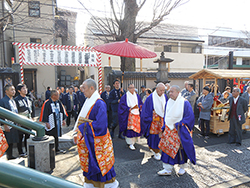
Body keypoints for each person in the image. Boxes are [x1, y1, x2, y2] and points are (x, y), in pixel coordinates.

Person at [73, 79, 118, 188]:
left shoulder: (99, 103)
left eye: (84, 88)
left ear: (92, 88)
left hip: (98, 142)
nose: (82, 90)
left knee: (99, 163)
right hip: (90, 140)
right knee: (90, 162)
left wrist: (83, 126)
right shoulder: (89, 100)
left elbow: (101, 125)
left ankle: (104, 184)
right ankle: (91, 183)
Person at [157, 85, 196, 176]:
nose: (170, 93)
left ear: (178, 93)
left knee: (181, 150)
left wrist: (180, 124)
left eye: (172, 92)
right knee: (167, 149)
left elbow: (190, 117)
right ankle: (167, 168)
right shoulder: (168, 102)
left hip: (179, 131)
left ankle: (182, 167)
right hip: (168, 131)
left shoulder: (184, 103)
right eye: (169, 92)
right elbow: (166, 117)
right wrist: (163, 128)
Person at [141, 83, 168, 160]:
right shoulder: (150, 98)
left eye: (163, 90)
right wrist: (150, 118)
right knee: (153, 136)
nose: (162, 92)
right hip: (153, 122)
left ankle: (158, 150)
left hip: (162, 120)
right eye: (161, 90)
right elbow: (145, 111)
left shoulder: (165, 97)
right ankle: (155, 151)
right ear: (156, 89)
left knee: (161, 136)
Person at [40, 90, 67, 154]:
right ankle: (50, 150)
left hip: (57, 121)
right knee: (50, 135)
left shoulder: (58, 102)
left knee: (56, 135)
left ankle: (57, 148)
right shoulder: (47, 103)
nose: (59, 96)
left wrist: (63, 120)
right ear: (53, 96)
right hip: (51, 121)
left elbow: (62, 111)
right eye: (57, 95)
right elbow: (45, 113)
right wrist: (46, 122)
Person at [118, 83, 143, 150]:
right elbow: (121, 106)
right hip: (129, 115)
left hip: (137, 114)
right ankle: (130, 143)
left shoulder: (137, 96)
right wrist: (128, 108)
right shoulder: (125, 96)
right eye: (130, 87)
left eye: (133, 87)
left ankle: (134, 142)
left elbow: (140, 103)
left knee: (136, 129)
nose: (132, 89)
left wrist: (140, 107)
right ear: (128, 89)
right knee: (130, 130)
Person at [0, 85, 19, 160]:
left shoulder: (13, 100)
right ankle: (8, 156)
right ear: (6, 91)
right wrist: (5, 124)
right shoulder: (3, 101)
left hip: (13, 123)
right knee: (7, 140)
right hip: (7, 123)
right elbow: (1, 114)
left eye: (14, 90)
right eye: (11, 90)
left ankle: (11, 155)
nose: (13, 91)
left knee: (12, 140)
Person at [14, 84, 33, 157]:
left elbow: (32, 108)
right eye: (23, 89)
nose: (25, 90)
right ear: (19, 91)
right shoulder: (16, 100)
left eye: (25, 88)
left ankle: (27, 150)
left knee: (28, 135)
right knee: (20, 136)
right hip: (21, 121)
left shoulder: (28, 98)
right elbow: (16, 111)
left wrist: (33, 117)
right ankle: (20, 152)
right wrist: (17, 121)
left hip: (29, 120)